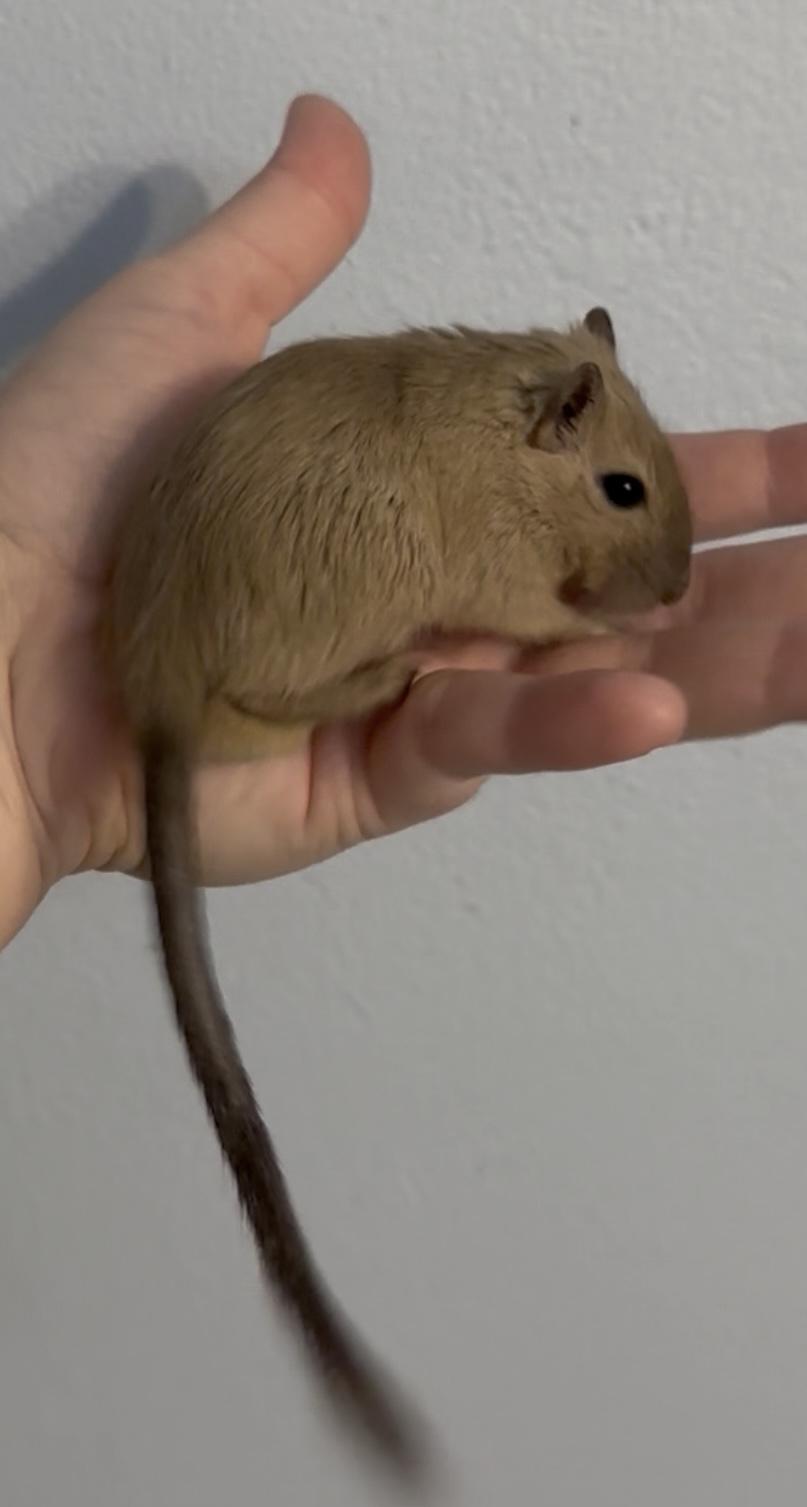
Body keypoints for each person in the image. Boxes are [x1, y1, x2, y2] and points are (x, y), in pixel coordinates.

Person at [0, 93, 804, 952]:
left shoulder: (476, 414)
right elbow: (479, 583)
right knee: (388, 543)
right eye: (619, 494)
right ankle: (273, 692)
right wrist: (574, 616)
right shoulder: (481, 462)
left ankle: (255, 690)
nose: (626, 512)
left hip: (157, 629)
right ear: (559, 419)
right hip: (225, 636)